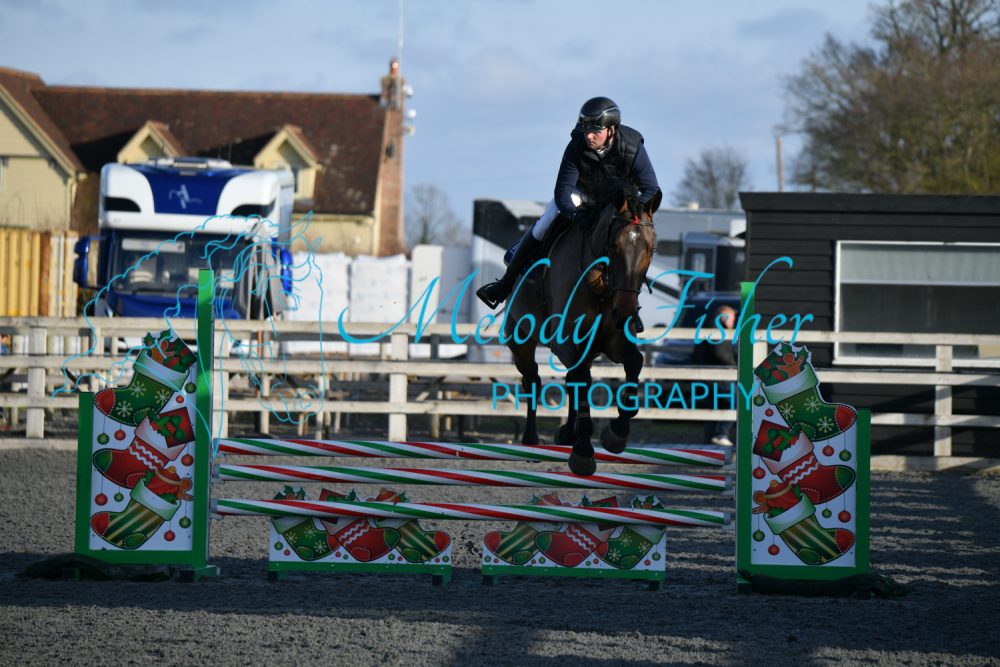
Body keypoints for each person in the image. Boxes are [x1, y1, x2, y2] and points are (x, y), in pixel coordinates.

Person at [476, 96, 661, 311]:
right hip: (583, 198)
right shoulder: (576, 146)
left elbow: (652, 189)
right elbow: (563, 191)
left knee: (636, 242)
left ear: (612, 129)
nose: (589, 136)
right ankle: (504, 284)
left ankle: (631, 304)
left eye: (595, 131)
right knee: (546, 220)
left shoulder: (632, 145)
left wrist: (632, 211)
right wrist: (577, 215)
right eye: (586, 131)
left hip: (617, 205)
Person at [694, 304, 737, 446]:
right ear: (724, 317)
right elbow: (719, 352)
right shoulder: (716, 330)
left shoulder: (711, 327)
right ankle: (722, 434)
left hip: (711, 376)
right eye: (732, 318)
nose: (734, 321)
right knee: (738, 401)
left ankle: (709, 443)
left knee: (713, 409)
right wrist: (735, 365)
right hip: (718, 376)